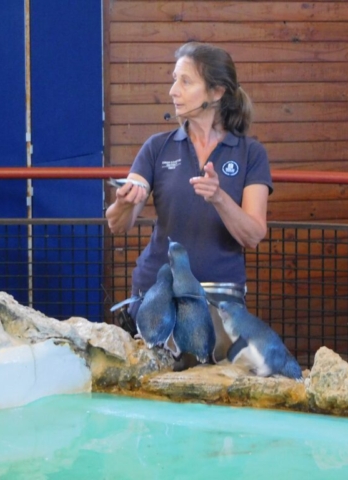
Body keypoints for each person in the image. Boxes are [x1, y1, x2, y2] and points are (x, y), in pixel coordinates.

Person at [106, 42, 273, 367]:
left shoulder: (251, 154)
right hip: (156, 295)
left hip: (220, 300)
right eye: (174, 79)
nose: (173, 91)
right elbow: (117, 223)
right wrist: (124, 202)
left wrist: (219, 197)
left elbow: (253, 234)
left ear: (217, 91)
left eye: (185, 81)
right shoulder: (157, 148)